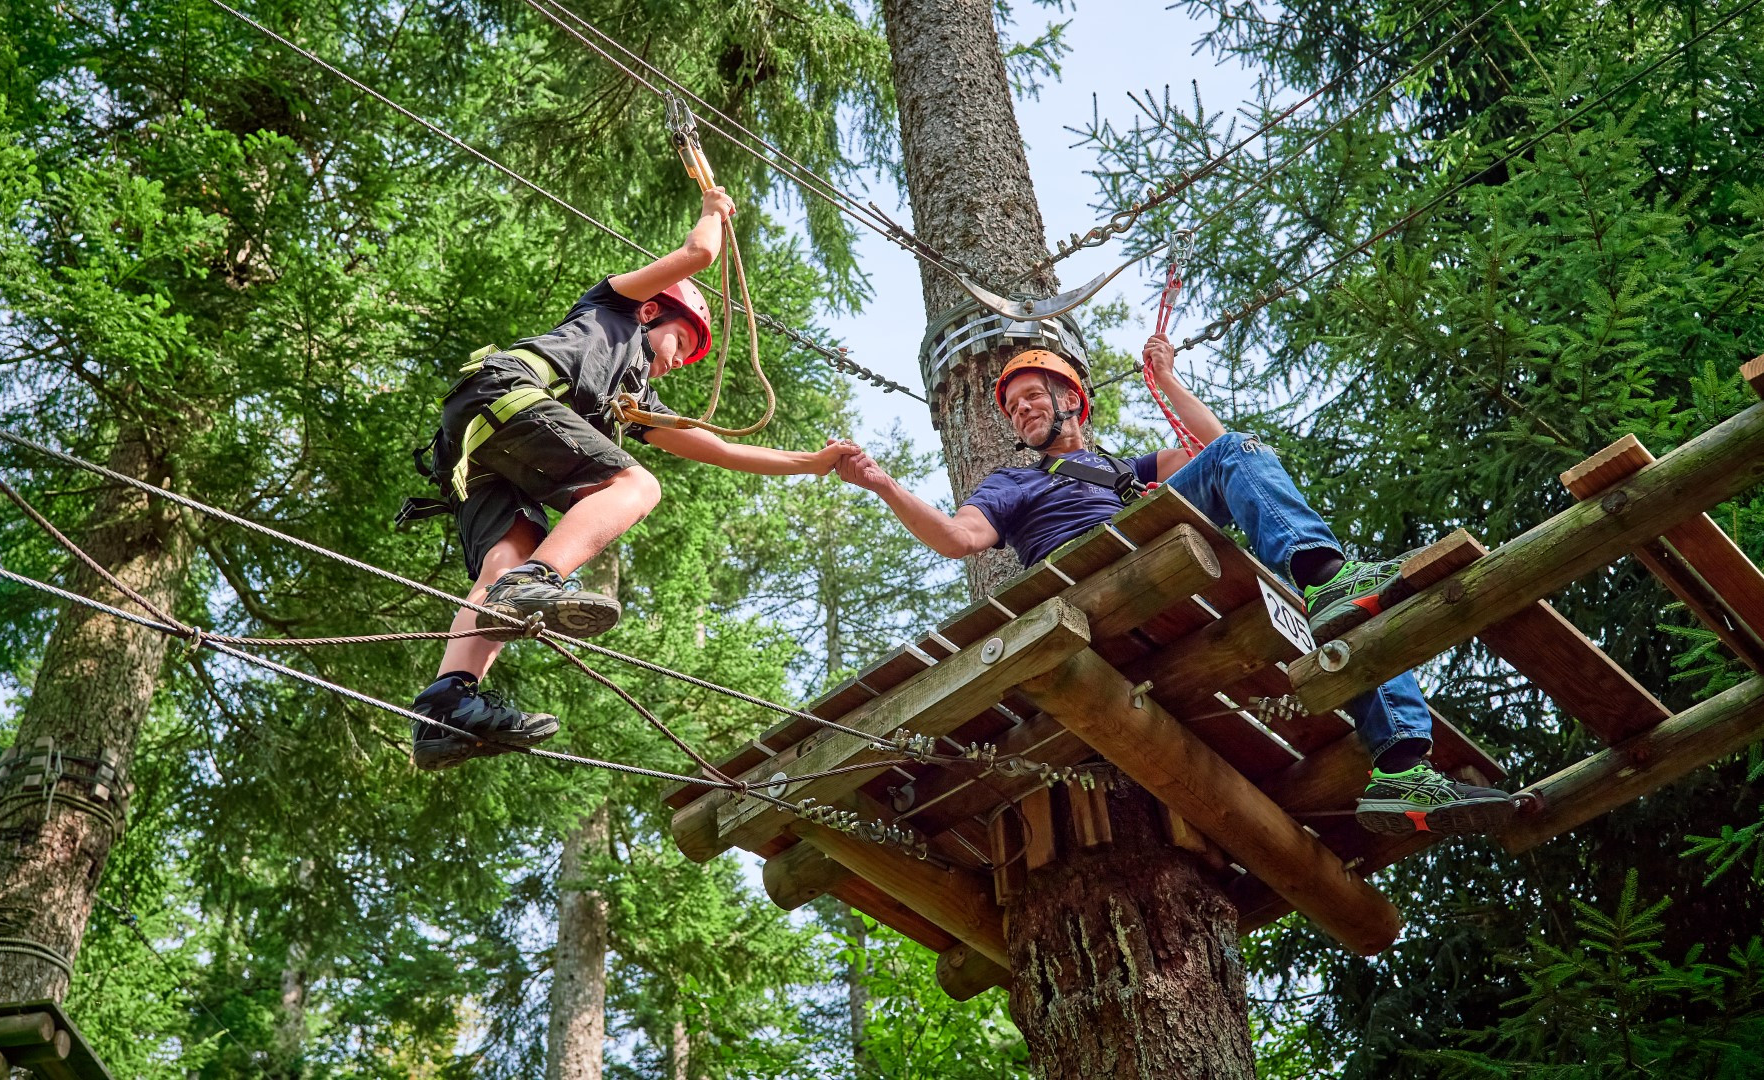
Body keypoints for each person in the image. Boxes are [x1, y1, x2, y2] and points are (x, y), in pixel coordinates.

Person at [832, 335, 1514, 836]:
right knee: (1270, 512)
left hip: (1155, 555)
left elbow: (1231, 451)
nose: (1021, 412)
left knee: (1347, 614)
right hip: (1094, 575)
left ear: (1074, 401)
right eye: (1012, 408)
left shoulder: (1130, 470)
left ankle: (1402, 771)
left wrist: (1170, 381)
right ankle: (1328, 579)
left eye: (1033, 397)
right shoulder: (1013, 482)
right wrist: (884, 485)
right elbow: (960, 540)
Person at [408, 187, 856, 770]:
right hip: (506, 394)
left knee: (502, 565)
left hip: (476, 448)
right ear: (652, 312)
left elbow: (716, 449)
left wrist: (811, 463)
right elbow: (698, 255)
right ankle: (537, 580)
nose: (675, 361)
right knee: (637, 487)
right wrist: (711, 213)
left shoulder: (630, 400)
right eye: (681, 343)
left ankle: (446, 707)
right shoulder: (614, 307)